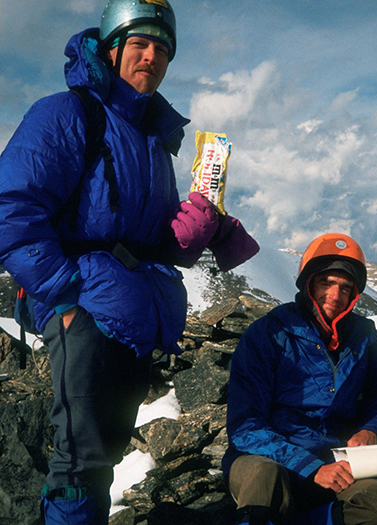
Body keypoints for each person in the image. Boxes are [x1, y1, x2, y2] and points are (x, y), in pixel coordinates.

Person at [0, 0, 259, 523]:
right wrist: (65, 294)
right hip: (84, 309)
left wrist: (195, 228)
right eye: (139, 44)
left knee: (104, 453)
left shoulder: (151, 140)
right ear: (111, 47)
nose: (152, 57)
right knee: (79, 458)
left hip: (132, 313)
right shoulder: (67, 114)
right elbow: (12, 207)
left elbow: (155, 243)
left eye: (163, 49)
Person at [222, 233, 377, 525]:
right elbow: (245, 427)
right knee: (264, 477)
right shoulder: (268, 334)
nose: (335, 295)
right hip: (268, 459)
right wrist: (309, 466)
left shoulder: (366, 338)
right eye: (326, 283)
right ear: (308, 282)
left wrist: (373, 428)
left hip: (334, 461)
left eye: (346, 288)